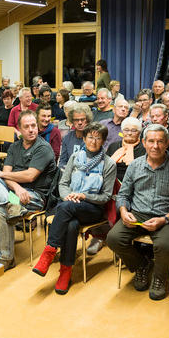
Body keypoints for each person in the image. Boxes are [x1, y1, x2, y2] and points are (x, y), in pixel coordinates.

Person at [107, 124, 169, 300]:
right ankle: (141, 265)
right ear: (144, 143)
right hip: (138, 213)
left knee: (166, 245)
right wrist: (123, 211)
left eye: (160, 141)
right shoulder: (135, 165)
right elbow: (123, 194)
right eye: (151, 141)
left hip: (166, 216)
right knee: (114, 239)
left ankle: (159, 279)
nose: (155, 146)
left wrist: (164, 219)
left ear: (168, 143)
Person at [33, 122, 116, 294]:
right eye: (90, 137)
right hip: (70, 204)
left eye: (98, 138)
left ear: (103, 141)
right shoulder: (75, 157)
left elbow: (106, 196)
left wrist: (85, 196)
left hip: (93, 209)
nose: (93, 141)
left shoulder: (109, 164)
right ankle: (65, 271)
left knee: (66, 208)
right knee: (71, 225)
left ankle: (49, 251)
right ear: (84, 138)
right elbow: (63, 183)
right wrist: (68, 196)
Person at [0, 110, 56, 269]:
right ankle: (10, 205)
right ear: (19, 128)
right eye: (27, 127)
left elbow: (30, 176)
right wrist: (17, 188)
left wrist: (5, 175)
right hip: (14, 197)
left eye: (34, 126)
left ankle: (6, 258)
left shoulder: (43, 148)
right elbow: (6, 176)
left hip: (35, 198)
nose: (32, 129)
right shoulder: (15, 147)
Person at [106, 117, 145, 182]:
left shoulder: (144, 148)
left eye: (133, 130)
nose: (129, 133)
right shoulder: (113, 146)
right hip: (112, 181)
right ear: (122, 131)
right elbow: (106, 166)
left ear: (139, 133)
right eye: (126, 130)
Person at [58, 103, 93, 168]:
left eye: (82, 119)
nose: (80, 123)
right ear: (72, 121)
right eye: (76, 120)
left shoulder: (93, 139)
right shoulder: (67, 138)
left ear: (87, 120)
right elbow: (62, 162)